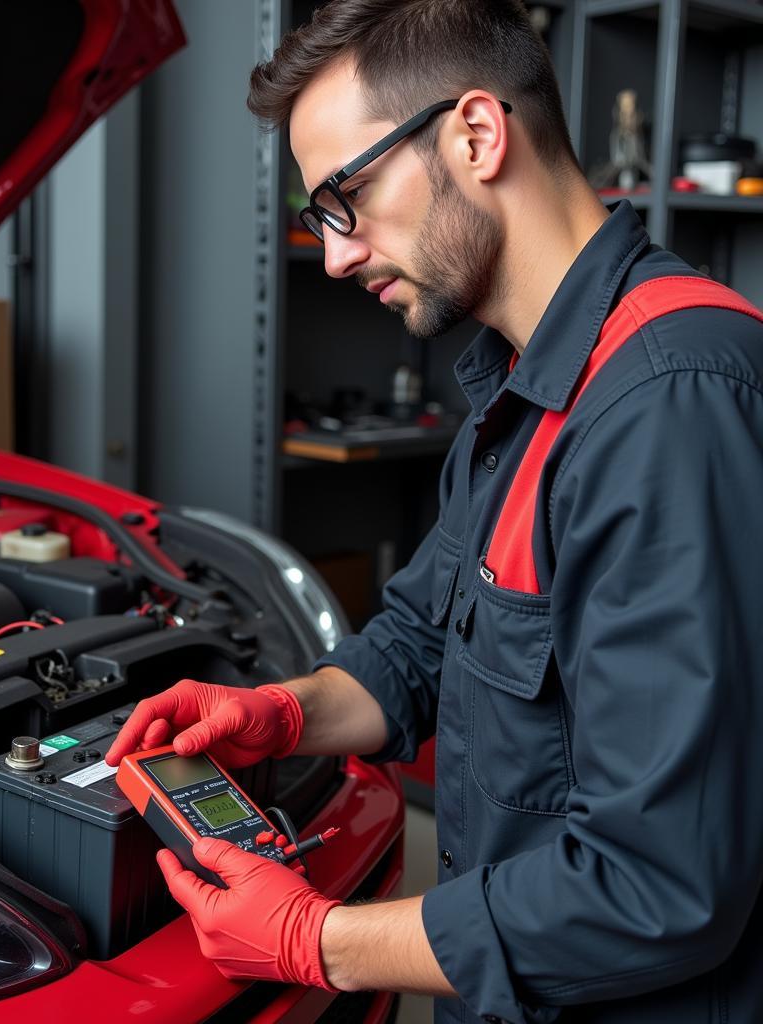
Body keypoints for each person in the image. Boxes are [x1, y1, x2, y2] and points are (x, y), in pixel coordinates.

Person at [107, 2, 763, 1020]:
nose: (334, 253)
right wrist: (282, 713)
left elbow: (659, 882)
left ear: (475, 135)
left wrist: (315, 940)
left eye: (347, 196)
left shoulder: (669, 402)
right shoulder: (530, 384)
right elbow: (419, 644)